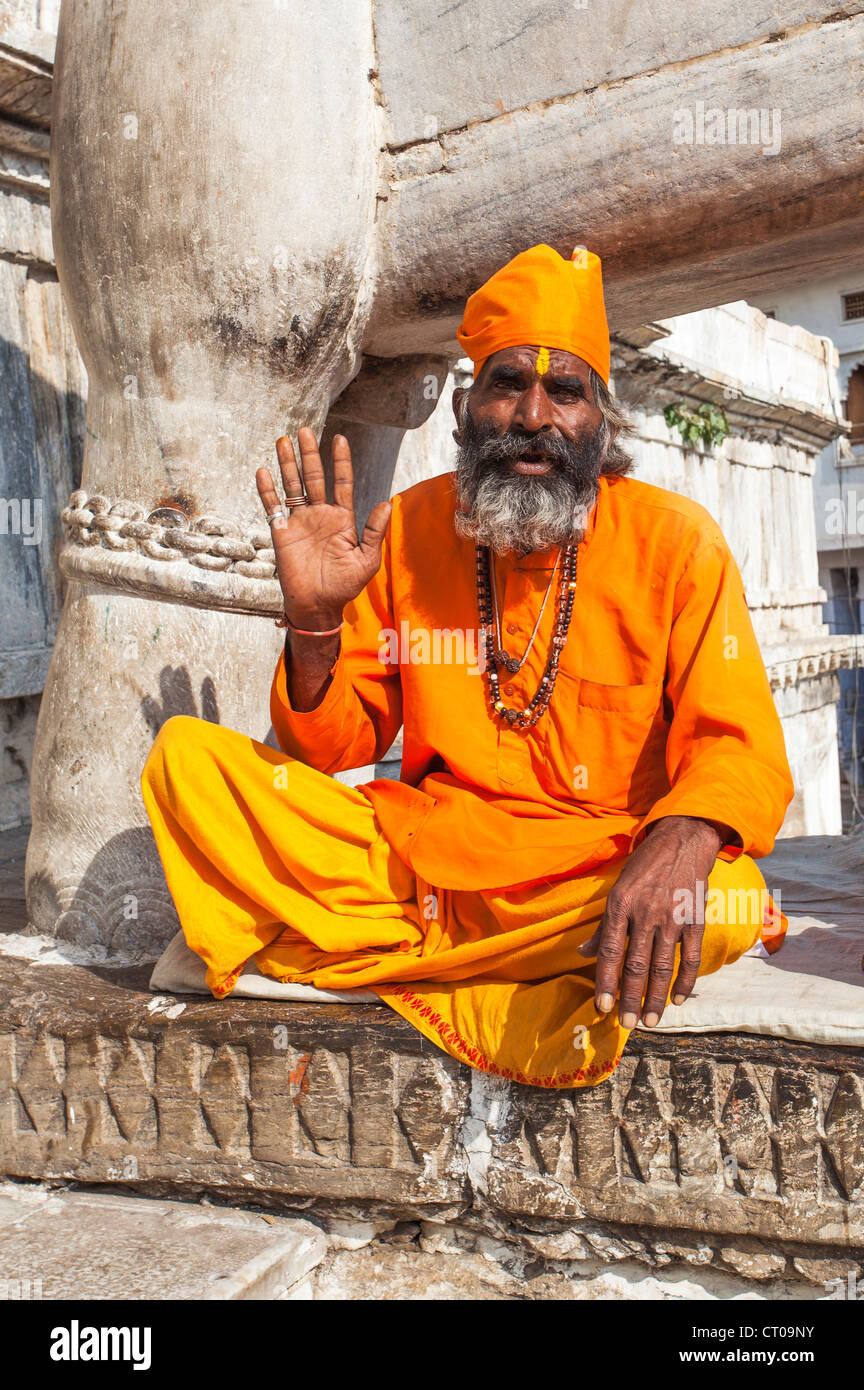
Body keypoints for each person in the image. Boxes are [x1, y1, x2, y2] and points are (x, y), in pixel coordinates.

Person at [142, 244, 792, 1089]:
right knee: (189, 764)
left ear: (603, 422)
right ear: (464, 406)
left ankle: (366, 950)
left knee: (725, 898)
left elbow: (739, 748)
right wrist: (312, 623)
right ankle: (481, 961)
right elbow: (330, 749)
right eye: (507, 382)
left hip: (600, 870)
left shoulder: (678, 543)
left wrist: (680, 840)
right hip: (427, 861)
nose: (533, 415)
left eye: (565, 391)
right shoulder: (408, 528)